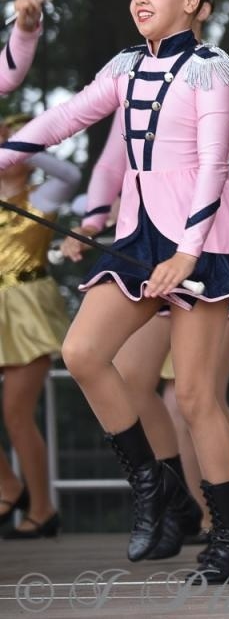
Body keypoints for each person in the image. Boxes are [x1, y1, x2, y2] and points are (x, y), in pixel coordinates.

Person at [0, 0, 229, 584]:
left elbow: (212, 166)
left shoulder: (212, 72)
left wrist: (188, 252)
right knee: (83, 353)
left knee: (200, 396)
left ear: (194, 2)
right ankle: (156, 486)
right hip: (141, 235)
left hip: (205, 238)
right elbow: (61, 119)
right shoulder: (125, 69)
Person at [64, 0, 229, 551]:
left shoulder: (224, 71)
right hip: (148, 246)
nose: (145, 2)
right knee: (131, 379)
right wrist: (89, 218)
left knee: (195, 394)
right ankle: (174, 503)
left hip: (217, 246)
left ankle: (218, 528)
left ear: (196, 4)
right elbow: (113, 160)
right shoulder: (137, 74)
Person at [0, 117, 79, 538]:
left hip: (28, 308)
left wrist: (23, 144)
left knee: (16, 414)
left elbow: (71, 173)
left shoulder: (44, 192)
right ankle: (10, 486)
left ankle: (43, 510)